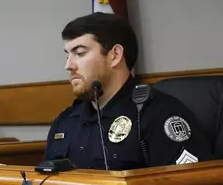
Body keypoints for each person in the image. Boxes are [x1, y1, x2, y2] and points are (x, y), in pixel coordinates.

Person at [44, 12, 213, 170]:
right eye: (67, 55)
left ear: (115, 55)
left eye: (80, 53)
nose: (69, 65)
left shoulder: (158, 115)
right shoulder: (66, 121)